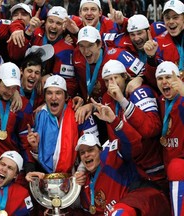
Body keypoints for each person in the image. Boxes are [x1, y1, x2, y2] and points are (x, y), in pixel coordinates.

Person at [100, 59, 167, 191]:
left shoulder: (140, 92)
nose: (110, 84)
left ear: (125, 77)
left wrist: (123, 100)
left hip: (153, 169)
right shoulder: (107, 99)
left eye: (114, 78)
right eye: (107, 80)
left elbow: (151, 129)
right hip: (130, 170)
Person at [74, 133, 170, 215]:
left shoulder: (110, 157)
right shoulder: (84, 183)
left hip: (145, 201)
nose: (86, 155)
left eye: (90, 150)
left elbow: (132, 144)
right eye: (82, 153)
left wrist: (116, 123)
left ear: (100, 150)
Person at [26, 75, 98, 174]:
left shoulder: (80, 114)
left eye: (58, 93)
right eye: (49, 93)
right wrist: (35, 148)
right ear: (45, 97)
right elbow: (43, 159)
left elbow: (94, 150)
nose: (54, 97)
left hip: (79, 175)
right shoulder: (40, 116)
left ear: (66, 97)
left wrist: (79, 173)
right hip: (49, 177)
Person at [8, 6, 78, 97]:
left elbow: (70, 85)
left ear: (64, 27)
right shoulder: (34, 32)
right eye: (51, 21)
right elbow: (15, 54)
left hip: (43, 94)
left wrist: (52, 76)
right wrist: (27, 32)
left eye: (58, 23)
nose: (53, 26)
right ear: (45, 23)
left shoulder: (66, 49)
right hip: (21, 87)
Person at [154, 61, 184, 216]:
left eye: (168, 77)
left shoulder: (182, 99)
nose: (164, 82)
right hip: (168, 168)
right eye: (160, 78)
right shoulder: (161, 102)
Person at [143, 0, 184, 88]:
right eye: (167, 18)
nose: (171, 21)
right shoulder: (157, 43)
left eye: (175, 17)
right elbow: (153, 81)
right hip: (170, 93)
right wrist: (151, 58)